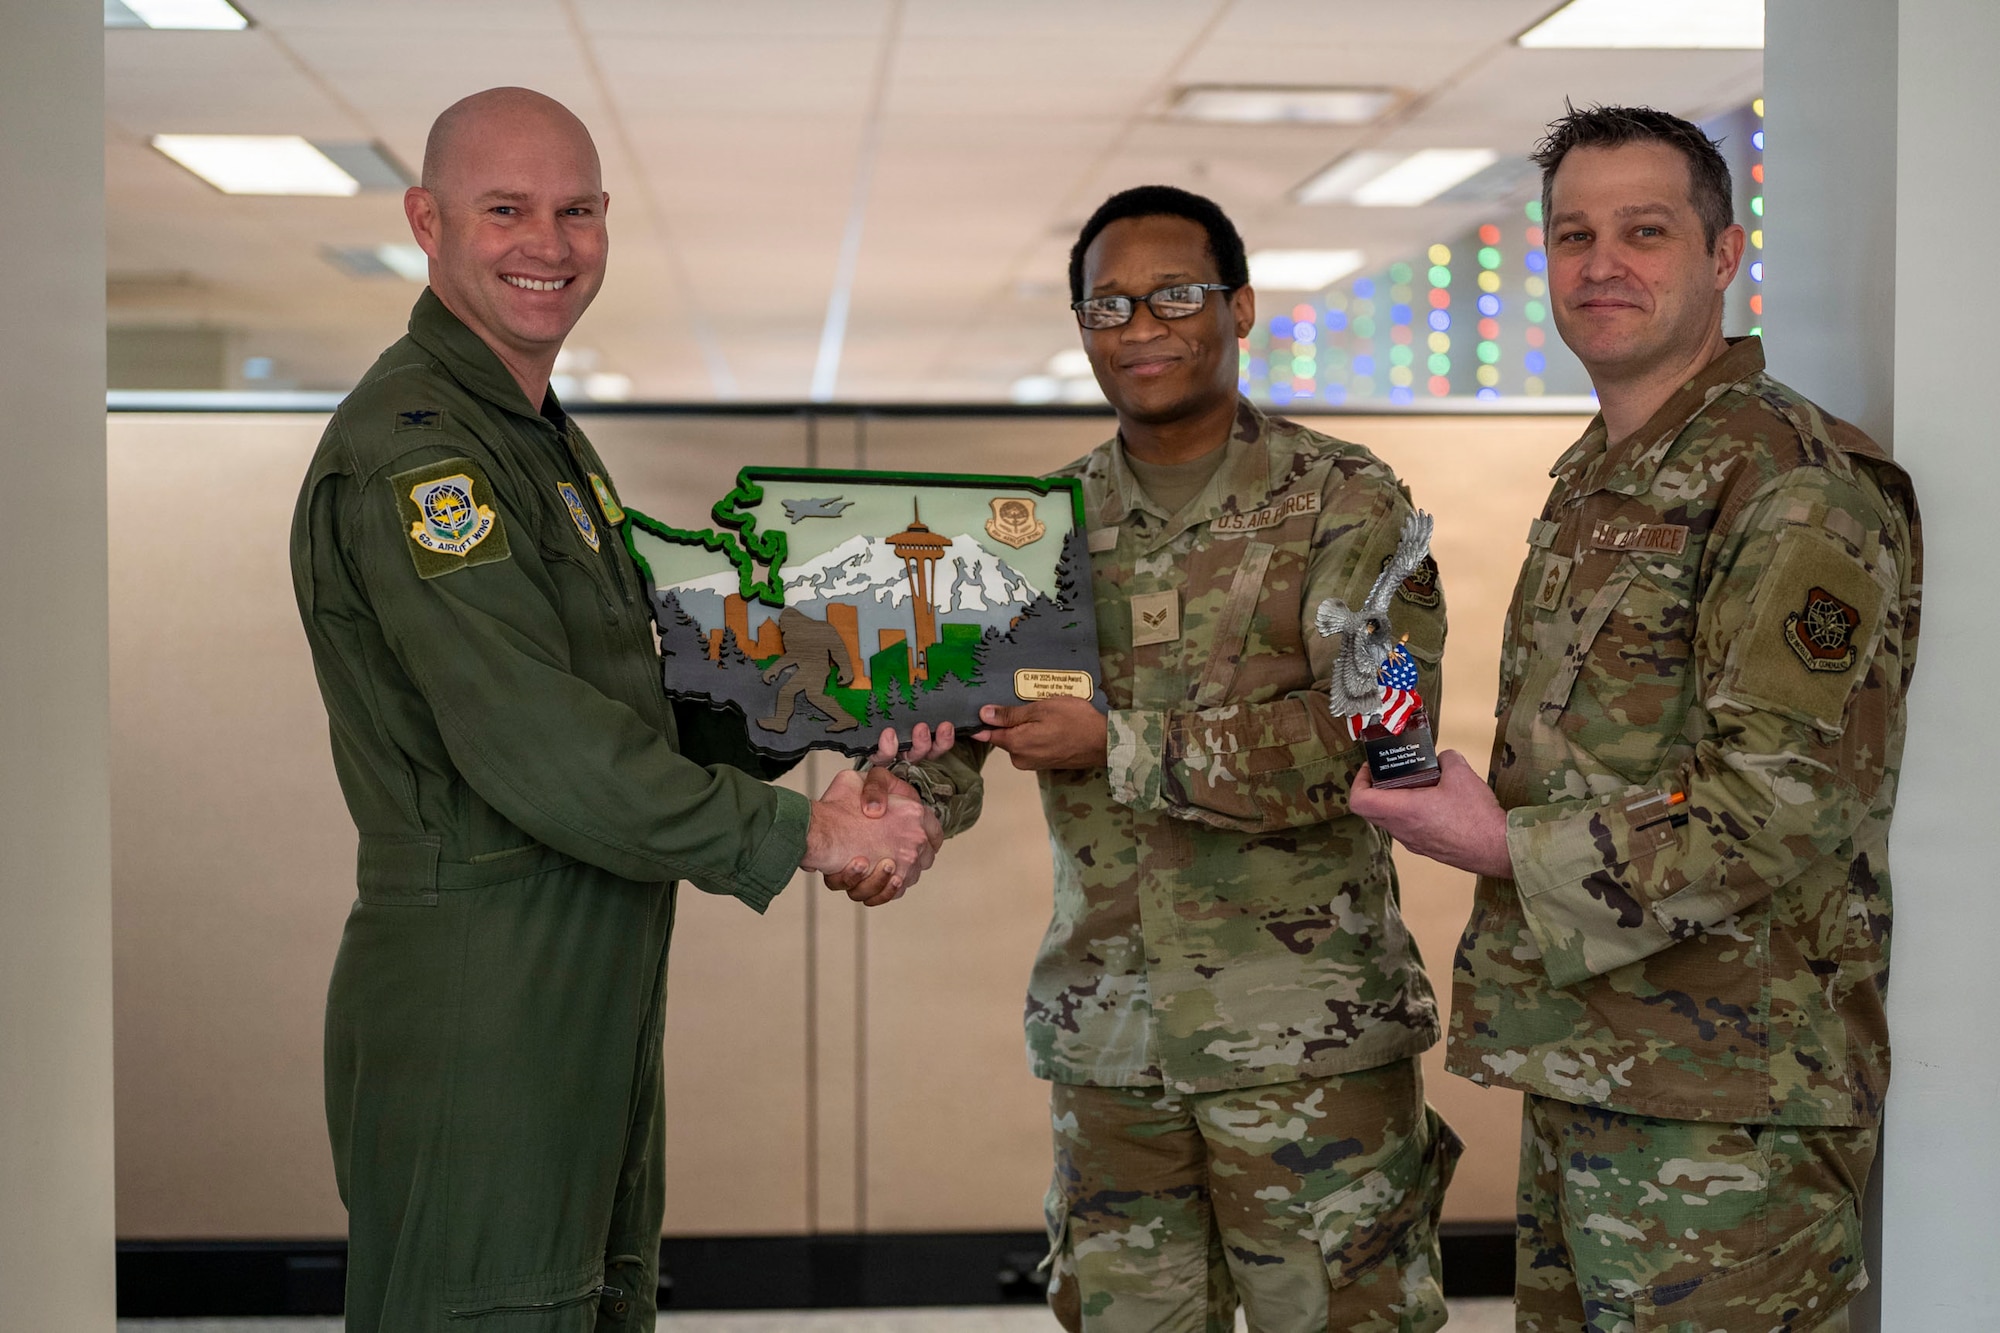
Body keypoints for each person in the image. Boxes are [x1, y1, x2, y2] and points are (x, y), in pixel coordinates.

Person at [288, 88, 944, 1333]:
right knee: (494, 1310)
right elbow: (539, 746)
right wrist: (802, 833)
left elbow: (633, 698)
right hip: (484, 989)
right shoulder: (422, 454)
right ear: (426, 221)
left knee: (588, 1305)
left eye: (578, 209)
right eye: (507, 209)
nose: (552, 242)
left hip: (587, 966)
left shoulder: (535, 439)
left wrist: (835, 707)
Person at [1347, 106, 1922, 1333]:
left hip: (1728, 1101)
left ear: (1721, 256)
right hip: (1594, 1062)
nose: (1600, 263)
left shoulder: (1789, 480)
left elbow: (1779, 796)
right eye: (1572, 234)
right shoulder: (1603, 477)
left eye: (1643, 230)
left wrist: (1500, 845)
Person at [867, 185, 1461, 1332]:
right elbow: (967, 716)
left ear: (1237, 306)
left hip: (1310, 1047)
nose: (1138, 327)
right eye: (1108, 305)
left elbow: (1380, 734)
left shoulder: (1346, 502)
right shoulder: (1038, 525)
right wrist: (908, 803)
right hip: (1112, 1046)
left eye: (1174, 295)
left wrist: (1120, 743)